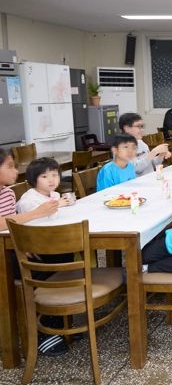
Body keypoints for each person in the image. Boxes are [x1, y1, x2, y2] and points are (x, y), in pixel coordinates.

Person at [0, 149, 71, 357]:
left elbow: (13, 226)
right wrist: (36, 213)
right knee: (42, 269)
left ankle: (58, 320)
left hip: (11, 249)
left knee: (61, 255)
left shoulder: (8, 193)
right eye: (10, 166)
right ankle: (43, 329)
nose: (16, 171)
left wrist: (23, 242)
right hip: (4, 258)